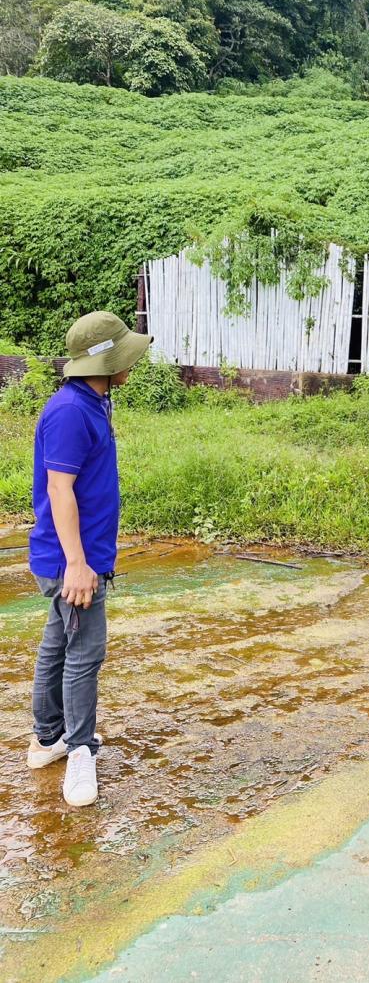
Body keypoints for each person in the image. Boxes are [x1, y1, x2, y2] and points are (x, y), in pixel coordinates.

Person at [26, 312, 152, 806]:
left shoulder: (95, 401)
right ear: (105, 362)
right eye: (124, 355)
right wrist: (77, 565)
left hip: (78, 555)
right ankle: (79, 751)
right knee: (84, 653)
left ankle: (47, 739)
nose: (131, 363)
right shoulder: (69, 412)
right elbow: (60, 490)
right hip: (71, 561)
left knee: (58, 643)